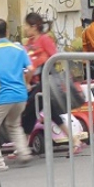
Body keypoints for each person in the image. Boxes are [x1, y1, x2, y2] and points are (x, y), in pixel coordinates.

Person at [20, 13, 80, 152]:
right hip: (34, 83)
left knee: (29, 109)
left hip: (45, 81)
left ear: (34, 26)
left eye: (27, 25)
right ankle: (74, 139)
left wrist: (42, 62)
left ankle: (22, 147)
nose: (25, 28)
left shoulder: (44, 39)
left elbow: (55, 57)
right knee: (51, 113)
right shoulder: (28, 43)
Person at [0, 19, 33, 172]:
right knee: (14, 124)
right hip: (21, 95)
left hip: (3, 96)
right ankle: (24, 152)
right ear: (7, 32)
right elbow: (30, 68)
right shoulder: (18, 48)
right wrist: (26, 83)